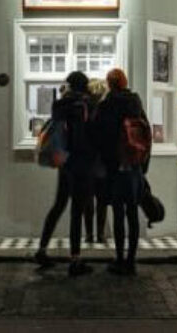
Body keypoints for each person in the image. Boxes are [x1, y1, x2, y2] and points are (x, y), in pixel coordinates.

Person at [32, 70, 97, 276]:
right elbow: (91, 133)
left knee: (59, 205)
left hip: (64, 161)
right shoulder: (87, 104)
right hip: (82, 162)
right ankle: (75, 259)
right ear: (84, 85)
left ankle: (42, 249)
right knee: (77, 210)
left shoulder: (59, 104)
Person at [92, 67, 147, 275]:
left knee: (118, 213)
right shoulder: (135, 102)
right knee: (132, 213)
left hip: (115, 168)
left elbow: (99, 136)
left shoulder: (107, 105)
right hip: (133, 166)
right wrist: (142, 165)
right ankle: (131, 260)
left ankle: (119, 258)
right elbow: (145, 131)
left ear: (109, 83)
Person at [82, 77, 109, 245]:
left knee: (87, 199)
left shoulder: (83, 109)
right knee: (102, 200)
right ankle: (100, 234)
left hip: (86, 160)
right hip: (102, 160)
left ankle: (89, 234)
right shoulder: (105, 110)